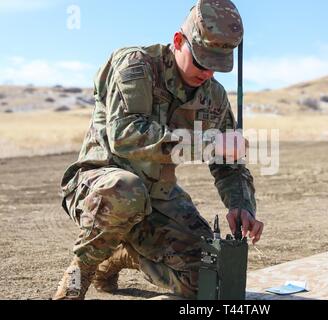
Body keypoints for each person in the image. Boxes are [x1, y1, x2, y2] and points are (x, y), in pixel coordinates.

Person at [53, 0, 264, 300]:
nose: (207, 74)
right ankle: (79, 276)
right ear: (178, 41)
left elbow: (229, 164)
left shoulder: (213, 97)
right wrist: (208, 145)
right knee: (127, 189)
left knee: (210, 277)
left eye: (217, 67)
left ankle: (122, 257)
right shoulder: (136, 66)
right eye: (202, 62)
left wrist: (241, 205)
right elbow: (125, 135)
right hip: (99, 185)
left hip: (157, 198)